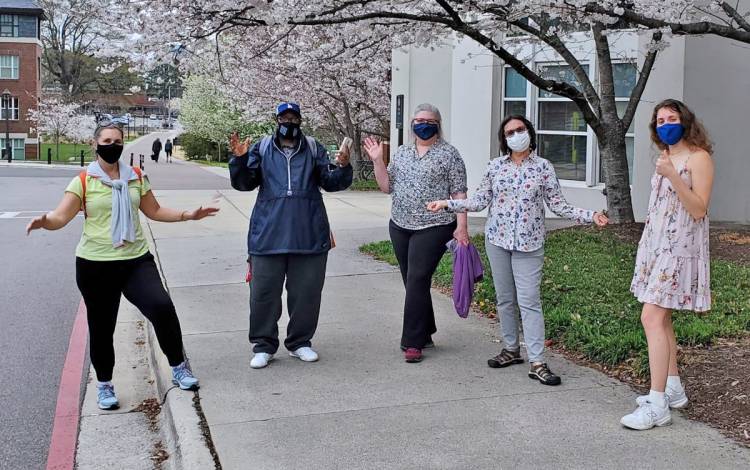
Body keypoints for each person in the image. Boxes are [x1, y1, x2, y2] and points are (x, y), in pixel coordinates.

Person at [26, 121, 218, 410]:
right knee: (102, 327)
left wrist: (188, 214)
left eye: (117, 141)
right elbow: (61, 217)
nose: (113, 145)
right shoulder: (82, 181)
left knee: (162, 307)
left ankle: (179, 367)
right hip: (95, 265)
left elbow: (154, 210)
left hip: (135, 261)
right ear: (95, 144)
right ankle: (104, 385)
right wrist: (45, 222)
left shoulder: (136, 177)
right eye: (107, 140)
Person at [427, 115, 608, 384]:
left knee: (529, 301)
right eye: (510, 132)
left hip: (529, 244)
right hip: (497, 241)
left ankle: (538, 361)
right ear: (504, 139)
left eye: (520, 129)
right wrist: (446, 203)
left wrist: (590, 215)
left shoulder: (543, 168)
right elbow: (478, 202)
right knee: (505, 299)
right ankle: (511, 349)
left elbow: (559, 205)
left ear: (530, 133)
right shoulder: (495, 167)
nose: (516, 135)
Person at [228, 102, 353, 369]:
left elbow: (330, 182)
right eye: (284, 117)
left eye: (294, 117)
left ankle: (300, 342)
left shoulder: (312, 147)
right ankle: (263, 345)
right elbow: (244, 183)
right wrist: (239, 160)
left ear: (300, 120)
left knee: (306, 293)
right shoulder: (261, 148)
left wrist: (343, 166)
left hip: (308, 233)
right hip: (267, 235)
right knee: (263, 294)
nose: (290, 122)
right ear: (276, 120)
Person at [620, 99, 714, 430]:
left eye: (671, 118)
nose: (665, 124)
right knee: (663, 317)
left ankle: (657, 402)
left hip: (680, 249)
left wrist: (674, 175)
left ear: (685, 121)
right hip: (657, 246)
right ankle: (673, 387)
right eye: (660, 120)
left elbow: (699, 209)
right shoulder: (665, 157)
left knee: (651, 317)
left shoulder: (698, 158)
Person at [363, 103, 469, 364]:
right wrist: (378, 161)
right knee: (412, 282)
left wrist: (462, 226)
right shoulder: (401, 153)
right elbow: (386, 186)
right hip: (400, 224)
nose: (422, 124)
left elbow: (459, 193)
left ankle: (412, 341)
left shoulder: (449, 154)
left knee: (418, 277)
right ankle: (426, 331)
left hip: (435, 225)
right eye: (418, 119)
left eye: (428, 120)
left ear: (438, 124)